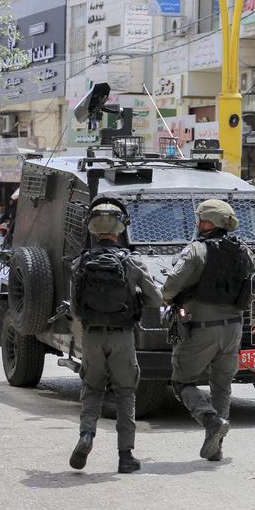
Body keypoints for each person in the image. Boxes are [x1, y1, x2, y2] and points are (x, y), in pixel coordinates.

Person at [69, 201, 163, 473]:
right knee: (125, 393)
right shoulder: (131, 262)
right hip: (122, 337)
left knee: (92, 389)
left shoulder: (81, 263)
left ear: (93, 228)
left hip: (92, 337)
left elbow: (76, 309)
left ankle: (86, 435)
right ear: (120, 228)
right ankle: (125, 456)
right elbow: (155, 300)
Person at [163, 200, 255, 461]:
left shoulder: (196, 251)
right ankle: (216, 447)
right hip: (234, 329)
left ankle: (210, 420)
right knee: (222, 387)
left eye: (199, 219)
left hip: (202, 329)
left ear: (208, 223)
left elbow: (171, 285)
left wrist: (168, 298)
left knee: (182, 382)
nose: (197, 224)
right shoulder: (244, 251)